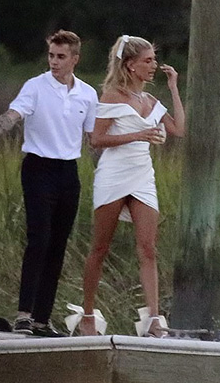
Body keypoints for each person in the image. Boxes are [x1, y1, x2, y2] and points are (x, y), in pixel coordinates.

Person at [0, 30, 98, 337]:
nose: (54, 62)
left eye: (61, 57)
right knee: (39, 239)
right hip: (38, 168)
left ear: (74, 59)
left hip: (68, 172)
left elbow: (94, 142)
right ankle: (24, 313)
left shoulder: (88, 94)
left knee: (57, 246)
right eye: (51, 55)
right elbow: (11, 117)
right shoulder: (36, 87)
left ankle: (42, 318)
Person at [79, 35, 185, 337]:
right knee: (100, 247)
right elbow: (97, 139)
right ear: (130, 64)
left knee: (148, 248)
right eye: (147, 61)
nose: (153, 66)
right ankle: (88, 314)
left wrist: (174, 88)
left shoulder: (151, 102)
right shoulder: (112, 96)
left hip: (142, 175)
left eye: (154, 60)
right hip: (114, 173)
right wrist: (137, 136)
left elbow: (178, 129)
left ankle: (153, 319)